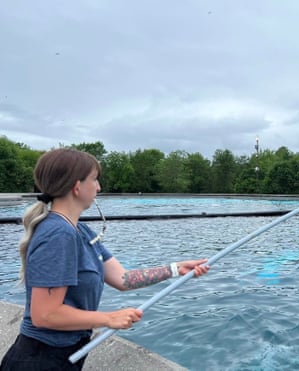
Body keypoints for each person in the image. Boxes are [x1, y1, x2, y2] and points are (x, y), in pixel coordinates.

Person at [0, 148, 210, 371]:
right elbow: (44, 315)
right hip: (39, 360)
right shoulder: (59, 235)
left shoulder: (80, 231)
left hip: (63, 356)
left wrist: (176, 269)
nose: (99, 187)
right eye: (94, 179)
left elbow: (123, 279)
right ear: (77, 186)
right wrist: (108, 318)